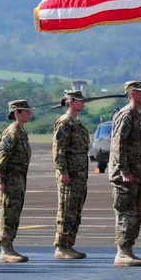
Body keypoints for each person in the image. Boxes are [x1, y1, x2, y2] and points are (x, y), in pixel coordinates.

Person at [109, 80, 141, 267]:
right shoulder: (126, 115)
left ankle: (128, 249)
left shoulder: (137, 115)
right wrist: (124, 171)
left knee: (134, 214)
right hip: (125, 176)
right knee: (126, 213)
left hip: (136, 174)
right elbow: (118, 145)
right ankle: (122, 252)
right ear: (132, 94)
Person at [52, 89, 89, 260]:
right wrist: (63, 171)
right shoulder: (65, 122)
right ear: (71, 103)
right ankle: (61, 246)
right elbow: (58, 149)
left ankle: (69, 244)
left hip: (79, 175)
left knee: (74, 211)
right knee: (66, 210)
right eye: (79, 100)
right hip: (70, 175)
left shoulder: (77, 122)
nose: (83, 103)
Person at [0, 99, 32, 263]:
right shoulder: (12, 132)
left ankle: (10, 246)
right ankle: (5, 249)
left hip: (18, 179)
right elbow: (1, 156)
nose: (29, 113)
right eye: (26, 111)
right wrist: (0, 178)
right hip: (9, 180)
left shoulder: (21, 132)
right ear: (17, 113)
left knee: (14, 213)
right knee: (7, 213)